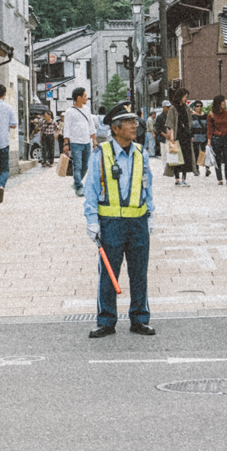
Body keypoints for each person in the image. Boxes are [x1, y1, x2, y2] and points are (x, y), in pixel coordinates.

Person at [84, 108, 154, 338]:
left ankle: (140, 318)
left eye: (135, 121)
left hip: (138, 222)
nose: (135, 126)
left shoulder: (141, 152)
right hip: (111, 222)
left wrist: (151, 214)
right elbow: (91, 188)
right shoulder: (101, 153)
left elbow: (147, 185)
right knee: (108, 273)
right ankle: (106, 320)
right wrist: (92, 220)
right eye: (128, 122)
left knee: (139, 272)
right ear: (115, 128)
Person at [62, 88, 101, 197]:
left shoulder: (87, 109)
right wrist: (66, 143)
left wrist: (94, 140)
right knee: (77, 165)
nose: (86, 98)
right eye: (85, 96)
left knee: (86, 165)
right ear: (79, 98)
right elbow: (67, 128)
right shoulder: (69, 112)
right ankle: (79, 186)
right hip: (75, 142)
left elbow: (91, 125)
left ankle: (76, 183)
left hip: (86, 141)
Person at [207, 97, 227, 184]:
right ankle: (219, 179)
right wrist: (209, 140)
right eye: (223, 101)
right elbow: (209, 128)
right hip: (216, 138)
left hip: (226, 137)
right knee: (217, 159)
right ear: (218, 103)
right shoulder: (211, 115)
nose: (225, 103)